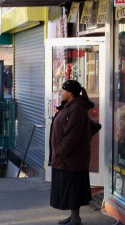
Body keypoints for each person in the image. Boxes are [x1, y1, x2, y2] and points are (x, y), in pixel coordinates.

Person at [49, 80, 94, 225]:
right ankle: (74, 217)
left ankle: (75, 219)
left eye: (63, 90)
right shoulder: (70, 106)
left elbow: (73, 135)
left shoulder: (77, 108)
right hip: (66, 158)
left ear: (70, 93)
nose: (61, 93)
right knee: (70, 189)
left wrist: (60, 151)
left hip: (71, 158)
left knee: (73, 188)